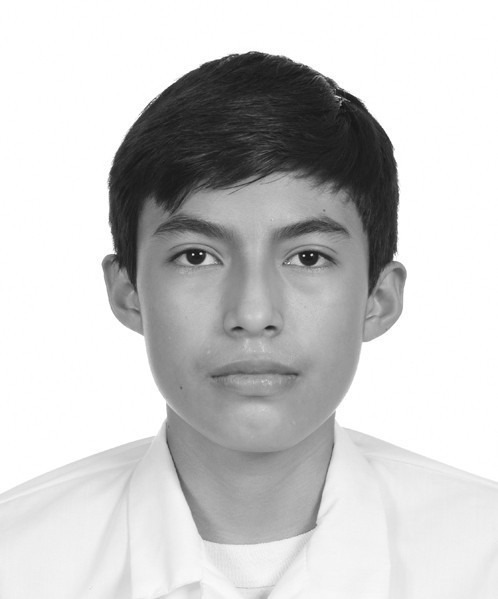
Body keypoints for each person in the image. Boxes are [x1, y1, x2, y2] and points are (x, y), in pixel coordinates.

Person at [0, 51, 496, 599]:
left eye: (308, 257)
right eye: (196, 256)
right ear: (128, 292)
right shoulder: (18, 561)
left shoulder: (482, 555)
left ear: (378, 298)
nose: (253, 315)